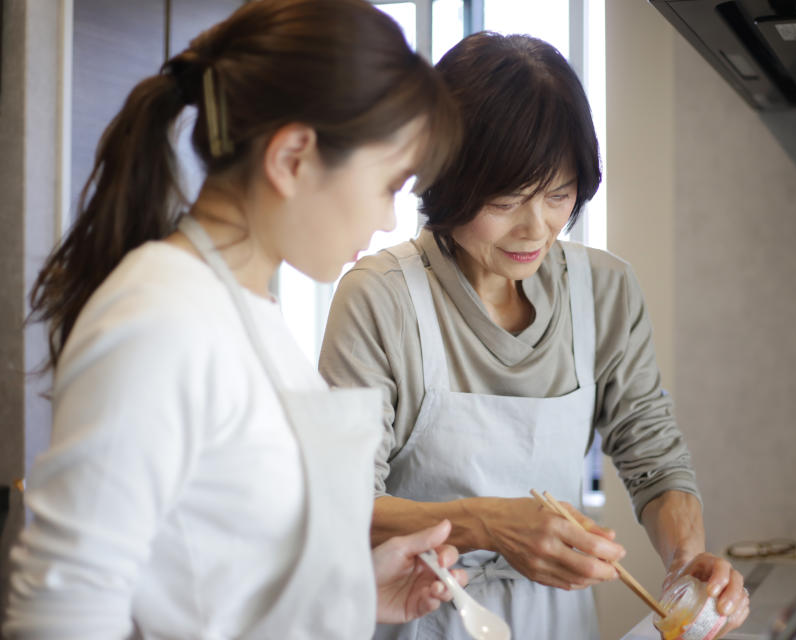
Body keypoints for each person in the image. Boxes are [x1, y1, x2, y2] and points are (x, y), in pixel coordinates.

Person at [3, 1, 465, 638]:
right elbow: (65, 613)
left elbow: (218, 571)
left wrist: (350, 592)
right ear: (293, 156)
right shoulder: (160, 318)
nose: (388, 220)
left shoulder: (248, 311)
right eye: (389, 185)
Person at [318, 32, 751, 639]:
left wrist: (686, 563)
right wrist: (487, 524)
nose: (536, 228)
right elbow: (339, 505)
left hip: (559, 622)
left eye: (558, 195)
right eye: (507, 198)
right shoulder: (381, 297)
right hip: (418, 614)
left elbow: (652, 454)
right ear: (446, 178)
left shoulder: (604, 290)